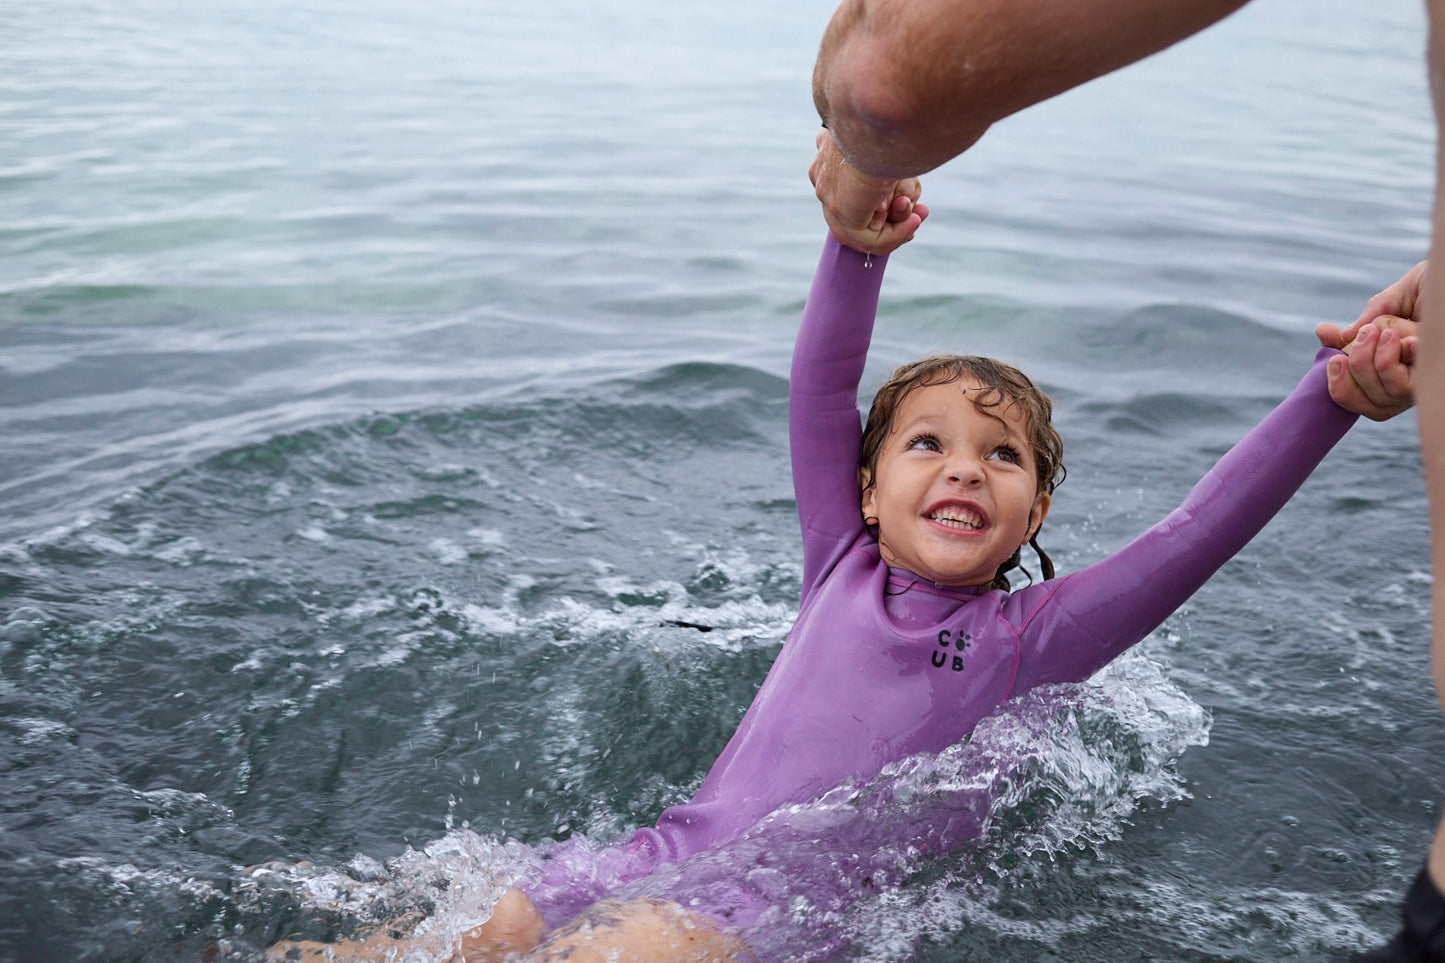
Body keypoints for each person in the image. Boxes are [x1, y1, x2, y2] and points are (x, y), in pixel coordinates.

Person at [265, 169, 1416, 960]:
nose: (962, 471)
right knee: (459, 931)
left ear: (1035, 512)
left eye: (1000, 456)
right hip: (653, 847)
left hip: (776, 911)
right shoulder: (839, 567)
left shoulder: (1035, 643)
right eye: (927, 444)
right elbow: (820, 389)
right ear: (867, 488)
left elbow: (1192, 534)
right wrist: (850, 246)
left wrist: (1327, 401)